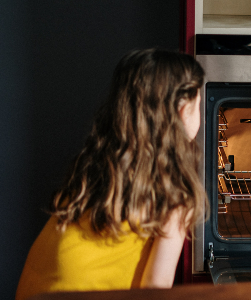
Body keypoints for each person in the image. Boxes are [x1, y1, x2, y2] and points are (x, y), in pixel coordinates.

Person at [16, 49, 206, 300]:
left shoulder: (97, 162)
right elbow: (155, 288)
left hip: (38, 292)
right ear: (183, 111)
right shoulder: (176, 192)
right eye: (199, 103)